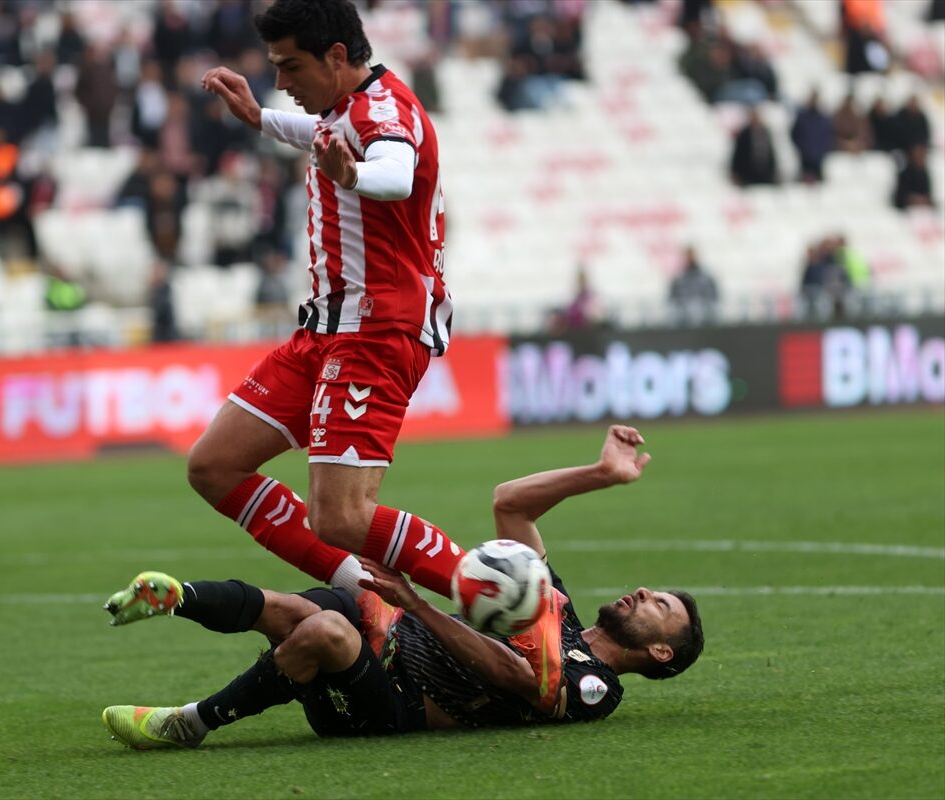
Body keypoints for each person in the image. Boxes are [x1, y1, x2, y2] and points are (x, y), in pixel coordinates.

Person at [100, 426, 704, 749]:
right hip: (391, 632)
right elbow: (510, 503)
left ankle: (189, 723)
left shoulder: (595, 689)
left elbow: (512, 676)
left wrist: (415, 600)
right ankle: (179, 596)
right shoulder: (556, 611)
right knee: (294, 608)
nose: (645, 593)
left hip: (394, 702)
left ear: (660, 653)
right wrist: (600, 474)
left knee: (326, 632)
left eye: (661, 607)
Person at [191, 0, 458, 600]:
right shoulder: (344, 111)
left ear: (337, 56)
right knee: (214, 466)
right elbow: (320, 135)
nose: (282, 82)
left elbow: (396, 171)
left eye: (291, 68)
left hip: (376, 329)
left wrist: (354, 177)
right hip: (325, 329)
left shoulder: (384, 111)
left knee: (340, 517)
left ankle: (512, 599)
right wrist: (260, 118)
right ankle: (367, 593)